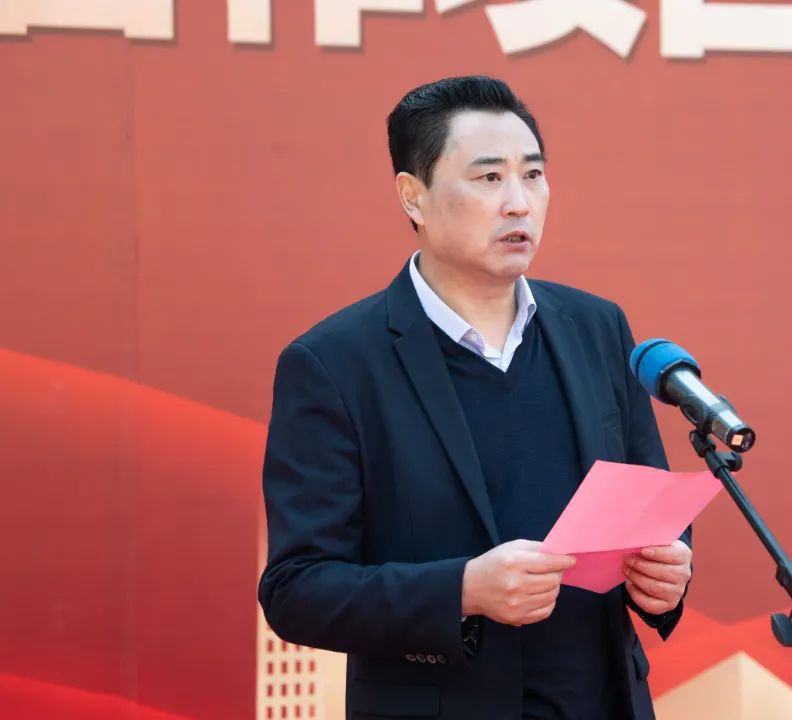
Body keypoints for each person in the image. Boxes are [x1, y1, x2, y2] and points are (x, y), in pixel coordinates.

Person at [258, 75, 692, 720]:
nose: (519, 203)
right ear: (414, 197)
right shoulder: (335, 364)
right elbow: (297, 590)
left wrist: (668, 573)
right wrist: (462, 590)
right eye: (489, 178)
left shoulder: (597, 328)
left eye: (533, 175)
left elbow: (649, 509)